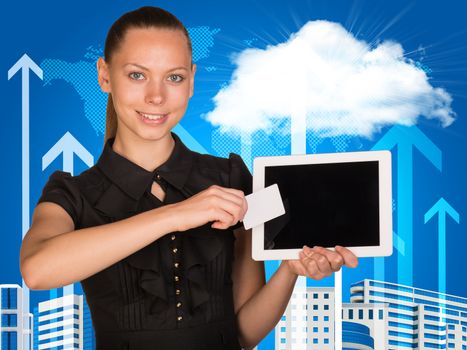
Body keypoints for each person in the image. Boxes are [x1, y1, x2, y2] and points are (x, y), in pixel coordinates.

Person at [20, 6, 358, 350]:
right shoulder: (72, 192)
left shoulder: (231, 178)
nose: (156, 96)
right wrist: (176, 214)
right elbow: (38, 270)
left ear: (192, 80)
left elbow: (243, 334)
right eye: (137, 75)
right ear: (105, 76)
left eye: (174, 77)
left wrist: (289, 272)